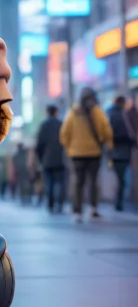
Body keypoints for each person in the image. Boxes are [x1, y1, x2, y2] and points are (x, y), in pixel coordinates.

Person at [60, 87, 113, 222]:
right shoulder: (98, 111)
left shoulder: (73, 113)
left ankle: (77, 211)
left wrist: (70, 149)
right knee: (93, 181)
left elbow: (64, 134)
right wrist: (106, 143)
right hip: (94, 152)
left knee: (78, 182)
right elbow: (107, 131)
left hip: (76, 154)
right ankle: (93, 208)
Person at [107, 96, 136, 211]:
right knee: (122, 179)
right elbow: (128, 135)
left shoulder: (110, 114)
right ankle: (119, 202)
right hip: (122, 152)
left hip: (114, 152)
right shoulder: (123, 116)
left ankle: (119, 202)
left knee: (121, 179)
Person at [36, 105, 66, 213]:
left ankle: (50, 204)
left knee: (49, 183)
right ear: (56, 112)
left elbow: (39, 145)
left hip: (47, 160)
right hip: (61, 159)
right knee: (60, 183)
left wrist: (40, 159)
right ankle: (60, 204)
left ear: (47, 112)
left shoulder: (43, 125)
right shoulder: (61, 124)